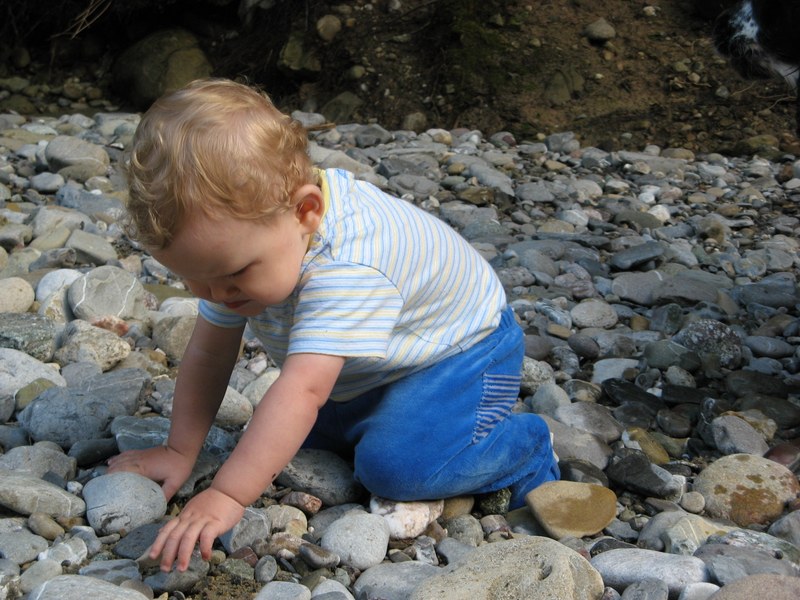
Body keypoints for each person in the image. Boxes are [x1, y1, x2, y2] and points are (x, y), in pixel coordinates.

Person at [108, 78, 559, 572]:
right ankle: (368, 411)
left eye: (234, 274)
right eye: (193, 280)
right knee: (297, 440)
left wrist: (228, 495)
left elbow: (302, 389)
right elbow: (210, 352)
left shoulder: (348, 266)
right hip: (380, 355)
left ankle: (525, 447)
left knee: (395, 469)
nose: (216, 295)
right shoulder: (237, 250)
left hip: (460, 353)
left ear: (307, 211)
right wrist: (179, 450)